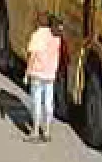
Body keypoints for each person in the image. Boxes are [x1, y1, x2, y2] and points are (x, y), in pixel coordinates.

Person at [23, 11, 62, 143]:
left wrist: (26, 73)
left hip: (37, 73)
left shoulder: (37, 35)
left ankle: (34, 131)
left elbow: (32, 55)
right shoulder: (56, 36)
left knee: (36, 102)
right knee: (48, 103)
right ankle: (47, 131)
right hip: (50, 74)